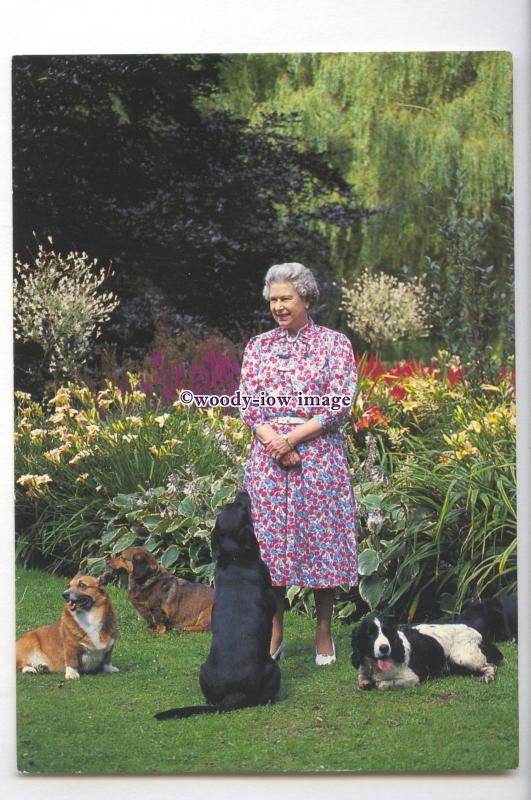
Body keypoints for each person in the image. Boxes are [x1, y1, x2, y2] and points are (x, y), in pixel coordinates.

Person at [239, 262, 358, 665]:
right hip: (268, 460)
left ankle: (323, 633)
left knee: (323, 543)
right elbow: (248, 404)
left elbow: (340, 403)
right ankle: (275, 632)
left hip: (318, 457)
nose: (278, 306)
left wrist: (292, 439)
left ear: (306, 298)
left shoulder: (335, 344)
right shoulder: (258, 346)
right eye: (273, 299)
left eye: (285, 298)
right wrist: (273, 440)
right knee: (269, 548)